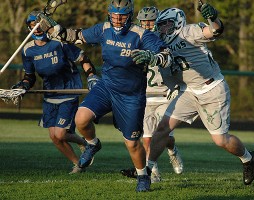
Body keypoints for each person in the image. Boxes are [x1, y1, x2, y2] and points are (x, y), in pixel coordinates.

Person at [36, 0, 173, 192]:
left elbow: (165, 54)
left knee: (132, 143)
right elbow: (75, 36)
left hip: (131, 95)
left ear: (130, 15)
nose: (118, 20)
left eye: (122, 16)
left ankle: (143, 176)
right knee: (81, 119)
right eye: (115, 15)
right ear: (109, 14)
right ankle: (92, 145)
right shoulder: (103, 29)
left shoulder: (142, 35)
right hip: (106, 86)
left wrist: (154, 57)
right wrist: (53, 28)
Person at [143, 5, 254, 186]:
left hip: (211, 89)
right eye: (161, 25)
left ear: (178, 22)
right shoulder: (160, 41)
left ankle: (248, 158)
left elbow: (215, 31)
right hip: (187, 91)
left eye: (167, 24)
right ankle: (146, 171)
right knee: (163, 128)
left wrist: (214, 18)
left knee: (221, 140)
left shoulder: (190, 32)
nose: (163, 29)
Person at [11, 10, 98, 174]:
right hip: (50, 95)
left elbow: (83, 58)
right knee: (54, 137)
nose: (36, 30)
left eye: (39, 26)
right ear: (28, 29)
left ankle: (85, 144)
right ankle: (79, 164)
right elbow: (29, 76)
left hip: (68, 92)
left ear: (46, 26)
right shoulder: (27, 51)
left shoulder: (59, 43)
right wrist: (23, 86)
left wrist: (92, 75)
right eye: (32, 26)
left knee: (61, 133)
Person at [120, 6, 183, 183]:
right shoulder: (135, 40)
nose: (147, 24)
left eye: (150, 21)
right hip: (145, 95)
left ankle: (173, 150)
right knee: (147, 139)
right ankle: (153, 173)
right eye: (144, 21)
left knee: (164, 137)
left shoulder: (166, 40)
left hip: (165, 94)